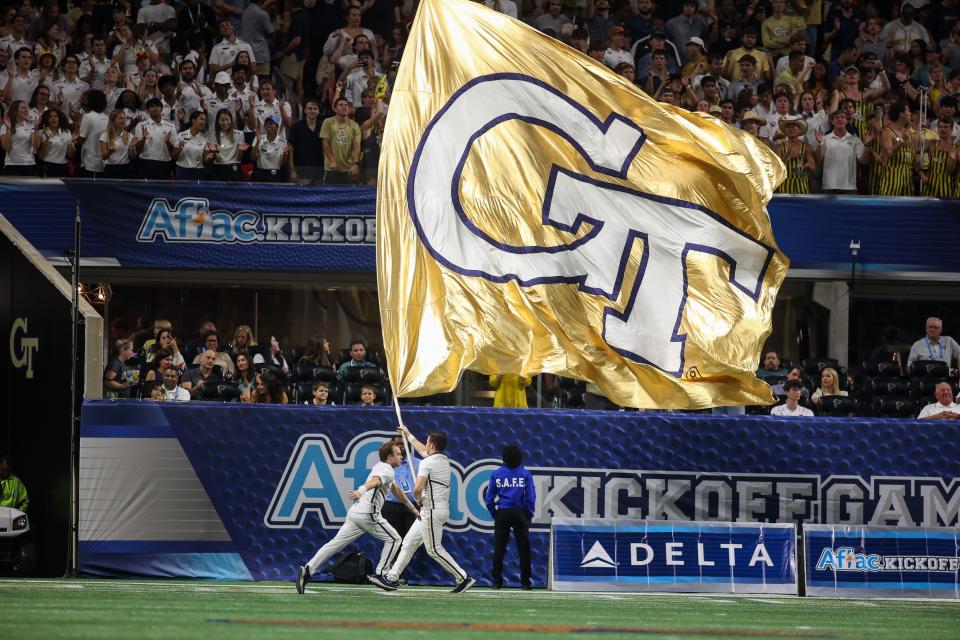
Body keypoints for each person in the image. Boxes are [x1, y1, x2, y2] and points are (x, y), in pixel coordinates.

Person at [296, 441, 419, 593]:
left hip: (355, 513)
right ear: (389, 457)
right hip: (368, 514)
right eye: (398, 454)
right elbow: (374, 481)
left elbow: (397, 491)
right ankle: (381, 574)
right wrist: (361, 490)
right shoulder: (387, 471)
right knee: (395, 539)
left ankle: (308, 569)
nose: (402, 456)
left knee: (335, 544)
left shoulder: (381, 467)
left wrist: (413, 509)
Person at [368, 426, 475, 594]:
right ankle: (391, 577)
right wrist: (408, 434)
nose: (425, 445)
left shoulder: (427, 463)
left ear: (431, 445)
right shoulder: (443, 460)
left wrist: (417, 499)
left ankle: (463, 577)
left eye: (427, 442)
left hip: (431, 510)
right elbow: (423, 450)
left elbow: (417, 488)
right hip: (434, 509)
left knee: (433, 549)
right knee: (408, 543)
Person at [485, 444, 536, 590]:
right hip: (520, 513)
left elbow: (489, 499)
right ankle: (525, 583)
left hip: (503, 513)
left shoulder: (496, 474)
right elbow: (530, 497)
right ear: (519, 458)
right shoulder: (525, 474)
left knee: (499, 548)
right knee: (524, 549)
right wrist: (528, 513)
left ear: (504, 458)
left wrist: (495, 514)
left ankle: (496, 582)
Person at [380, 435, 417, 581]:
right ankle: (388, 571)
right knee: (393, 539)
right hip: (391, 506)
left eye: (403, 443)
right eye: (397, 444)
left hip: (411, 507)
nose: (400, 446)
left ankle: (401, 573)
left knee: (408, 542)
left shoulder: (418, 464)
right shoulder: (385, 466)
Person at [320, 96, 361, 185]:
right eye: (341, 105)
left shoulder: (354, 125)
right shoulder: (328, 122)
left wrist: (356, 164)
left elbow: (357, 146)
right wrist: (332, 161)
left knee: (349, 198)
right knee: (330, 197)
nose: (344, 106)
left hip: (349, 169)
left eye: (346, 105)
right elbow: (325, 143)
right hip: (332, 168)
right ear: (335, 109)